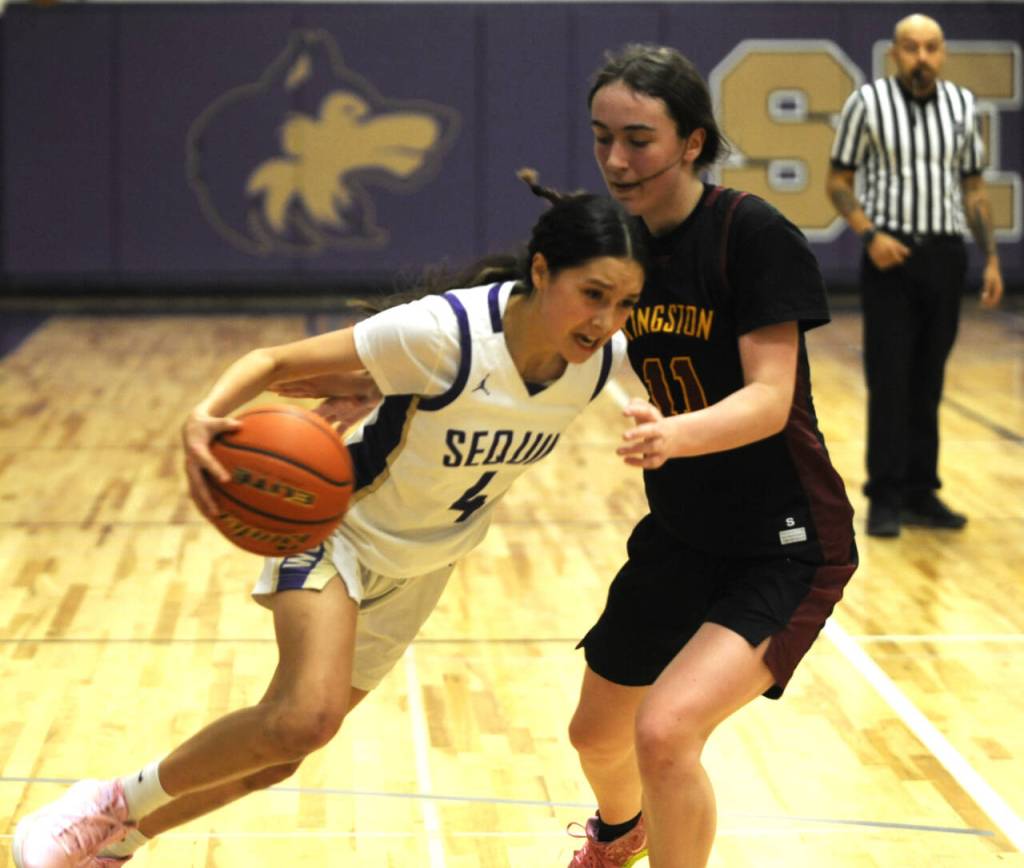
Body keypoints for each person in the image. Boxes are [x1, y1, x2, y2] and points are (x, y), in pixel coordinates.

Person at [11, 187, 647, 868]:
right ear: (543, 272)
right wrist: (205, 415)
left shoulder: (601, 364)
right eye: (593, 294)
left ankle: (116, 844)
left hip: (423, 566)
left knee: (280, 754)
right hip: (333, 530)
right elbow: (272, 362)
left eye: (626, 304)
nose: (606, 320)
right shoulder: (441, 332)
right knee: (301, 718)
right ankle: (104, 803)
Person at [563, 44, 858, 868]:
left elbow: (770, 399)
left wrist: (673, 435)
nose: (616, 160)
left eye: (639, 139)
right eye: (601, 138)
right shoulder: (616, 243)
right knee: (595, 736)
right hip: (684, 529)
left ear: (692, 142)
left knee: (664, 733)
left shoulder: (750, 234)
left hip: (784, 541)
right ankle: (620, 835)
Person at [826, 13, 1004, 538]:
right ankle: (885, 495)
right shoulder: (868, 103)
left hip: (945, 255)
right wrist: (868, 234)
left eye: (930, 47)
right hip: (890, 257)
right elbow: (837, 180)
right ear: (894, 54)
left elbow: (973, 189)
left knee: (930, 380)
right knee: (890, 378)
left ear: (942, 53)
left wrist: (990, 256)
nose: (921, 57)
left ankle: (922, 491)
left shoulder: (962, 106)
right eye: (911, 47)